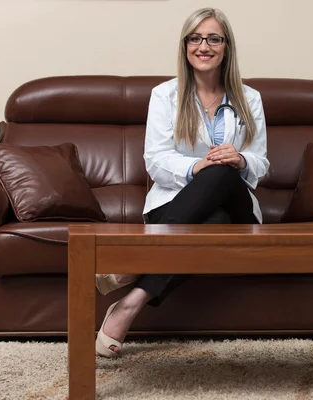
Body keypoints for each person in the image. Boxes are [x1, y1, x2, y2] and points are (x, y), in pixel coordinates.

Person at [94, 7, 270, 358]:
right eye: (195, 38)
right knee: (213, 217)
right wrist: (196, 167)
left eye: (213, 38)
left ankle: (135, 263)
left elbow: (261, 162)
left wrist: (240, 160)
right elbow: (155, 160)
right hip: (174, 207)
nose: (204, 46)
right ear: (185, 45)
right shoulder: (165, 96)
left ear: (226, 47)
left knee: (224, 172)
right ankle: (129, 306)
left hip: (241, 214)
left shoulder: (250, 99)